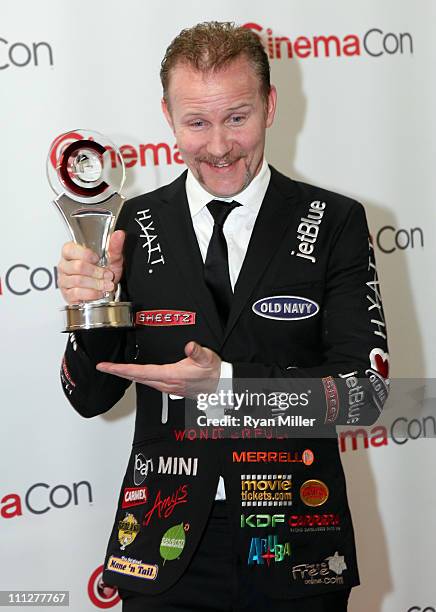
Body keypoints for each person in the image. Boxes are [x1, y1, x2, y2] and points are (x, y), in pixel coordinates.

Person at [58, 22, 389, 612]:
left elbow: (366, 394)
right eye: (197, 122)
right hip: (161, 546)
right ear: (167, 115)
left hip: (298, 540)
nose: (218, 146)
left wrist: (229, 386)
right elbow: (89, 397)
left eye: (237, 118)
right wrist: (90, 308)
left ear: (271, 104)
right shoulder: (127, 226)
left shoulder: (334, 221)